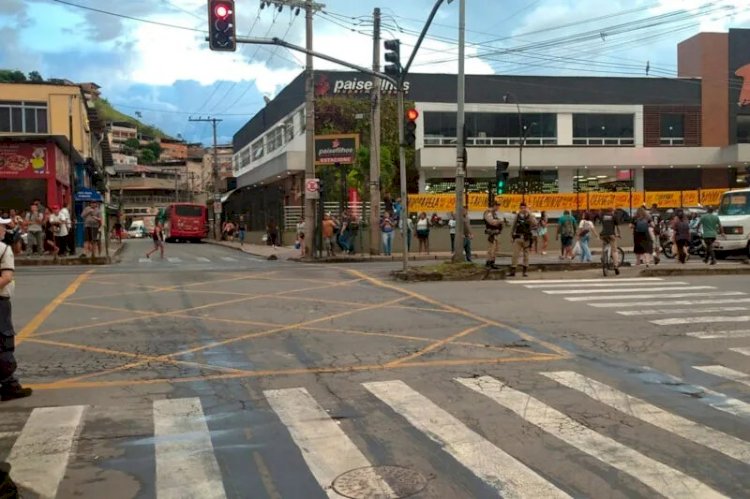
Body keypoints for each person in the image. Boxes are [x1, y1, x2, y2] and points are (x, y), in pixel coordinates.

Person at [0, 217, 33, 402]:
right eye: (3, 226)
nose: (5, 229)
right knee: (4, 342)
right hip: (0, 302)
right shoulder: (4, 249)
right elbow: (5, 277)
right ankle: (9, 385)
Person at [508, 202, 537, 277]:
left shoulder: (529, 216)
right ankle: (513, 270)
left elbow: (535, 223)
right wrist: (511, 236)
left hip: (526, 238)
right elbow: (513, 226)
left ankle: (524, 271)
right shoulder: (517, 216)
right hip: (518, 237)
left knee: (526, 255)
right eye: (521, 208)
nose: (523, 209)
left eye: (524, 208)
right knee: (515, 254)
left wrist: (530, 214)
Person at [600, 208, 621, 274]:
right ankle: (615, 266)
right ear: (612, 210)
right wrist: (619, 234)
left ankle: (602, 257)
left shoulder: (602, 216)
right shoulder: (614, 216)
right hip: (611, 234)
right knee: (614, 250)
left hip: (603, 234)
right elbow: (617, 227)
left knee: (604, 246)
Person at [483, 201, 503, 269]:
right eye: (497, 206)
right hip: (491, 233)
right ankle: (488, 262)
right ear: (493, 206)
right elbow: (491, 222)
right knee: (491, 249)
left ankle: (492, 262)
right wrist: (499, 221)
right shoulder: (488, 212)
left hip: (496, 233)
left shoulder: (495, 214)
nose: (498, 207)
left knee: (496, 249)